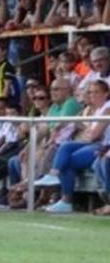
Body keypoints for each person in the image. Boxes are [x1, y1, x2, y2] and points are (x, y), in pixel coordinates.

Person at [35, 80, 110, 213]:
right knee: (65, 146)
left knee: (67, 161)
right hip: (92, 142)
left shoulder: (107, 108)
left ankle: (66, 200)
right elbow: (87, 133)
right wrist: (87, 131)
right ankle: (53, 175)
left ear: (106, 93)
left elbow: (93, 135)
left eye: (96, 92)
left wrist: (86, 130)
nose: (93, 95)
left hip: (101, 145)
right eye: (91, 92)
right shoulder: (95, 110)